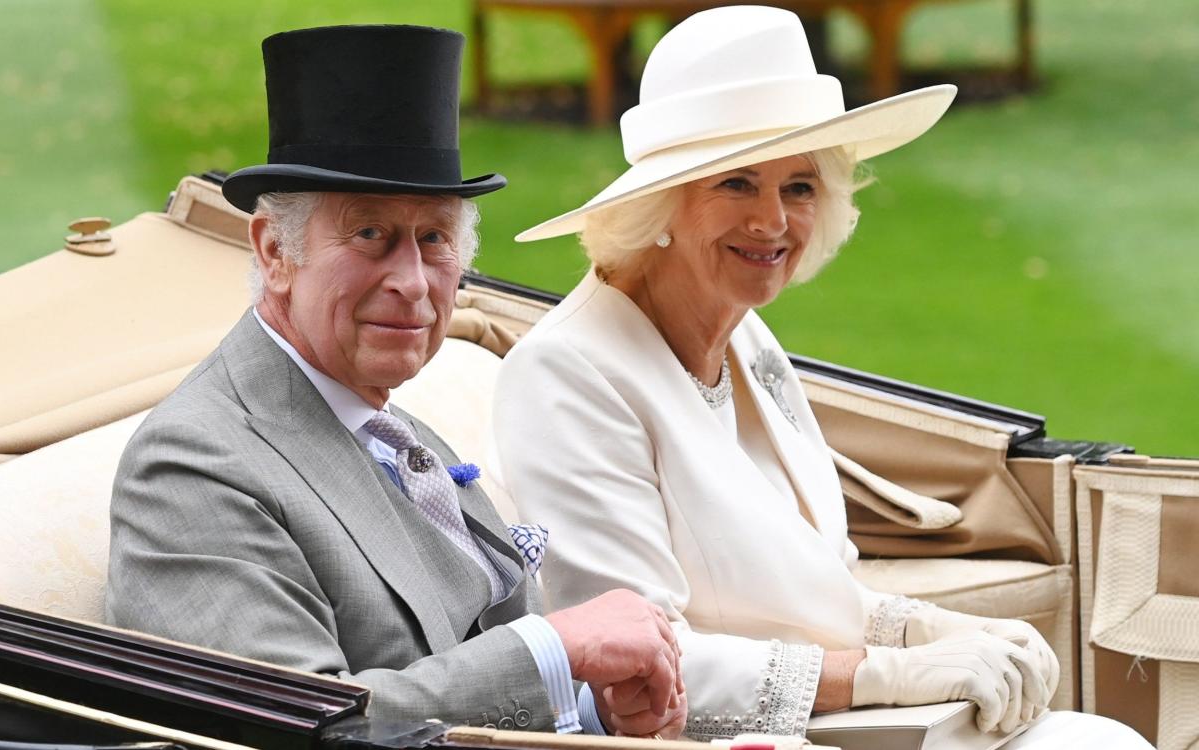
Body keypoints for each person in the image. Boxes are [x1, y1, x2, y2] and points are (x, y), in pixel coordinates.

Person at [492, 6, 1150, 747]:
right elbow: (632, 667)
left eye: (799, 187)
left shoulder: (746, 334)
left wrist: (934, 629)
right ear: (661, 204)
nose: (773, 222)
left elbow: (816, 590)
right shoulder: (567, 373)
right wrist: (885, 674)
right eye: (737, 183)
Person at [105, 24, 686, 737]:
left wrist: (596, 699)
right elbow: (300, 726)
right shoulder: (193, 466)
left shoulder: (394, 431)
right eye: (370, 235)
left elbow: (490, 651)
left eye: (434, 239)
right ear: (275, 251)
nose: (413, 284)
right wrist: (554, 652)